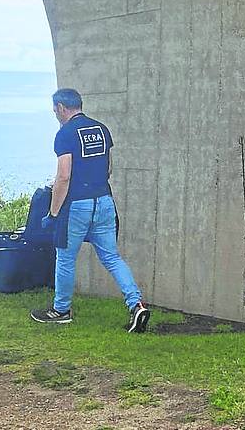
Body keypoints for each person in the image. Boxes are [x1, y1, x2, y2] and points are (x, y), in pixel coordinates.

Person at [30, 88, 150, 333]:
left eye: (55, 110)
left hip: (77, 205)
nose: (55, 114)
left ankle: (61, 310)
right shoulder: (101, 129)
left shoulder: (65, 134)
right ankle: (136, 304)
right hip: (104, 201)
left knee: (64, 257)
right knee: (112, 257)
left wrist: (53, 214)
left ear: (62, 107)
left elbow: (63, 177)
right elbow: (109, 169)